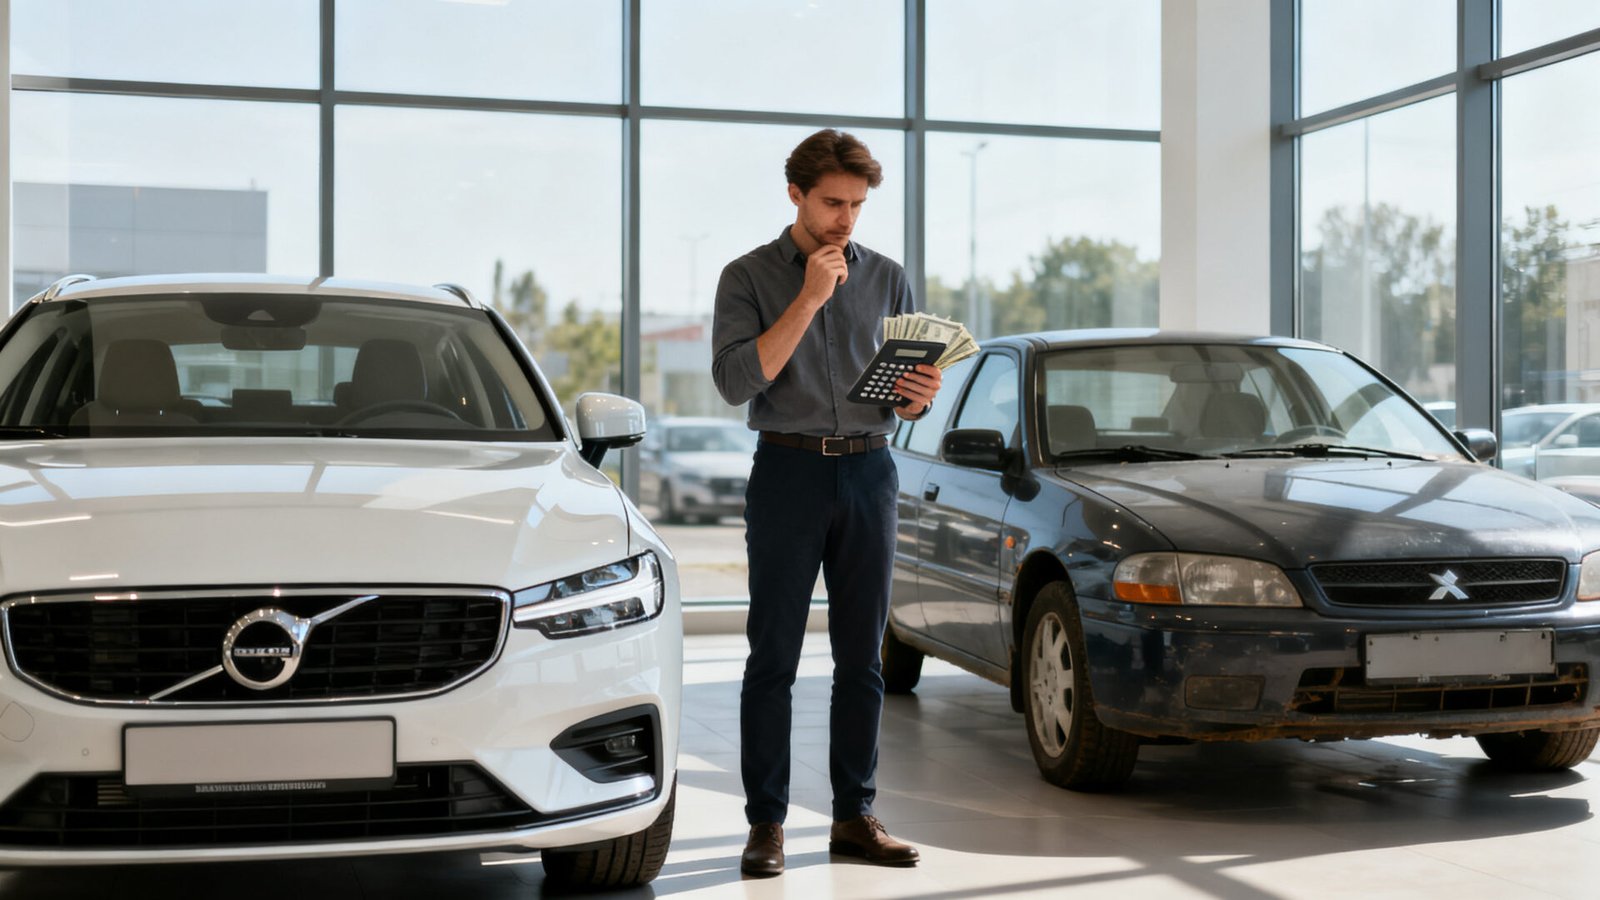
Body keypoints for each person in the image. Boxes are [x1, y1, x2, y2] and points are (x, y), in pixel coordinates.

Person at [710, 129, 943, 878]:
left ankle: (855, 816)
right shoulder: (746, 276)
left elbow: (905, 398)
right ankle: (767, 824)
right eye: (832, 203)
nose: (846, 219)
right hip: (788, 474)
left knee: (862, 660)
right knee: (772, 656)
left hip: (872, 474)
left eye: (857, 205)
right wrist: (809, 297)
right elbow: (738, 380)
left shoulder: (889, 278)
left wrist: (919, 398)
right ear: (796, 196)